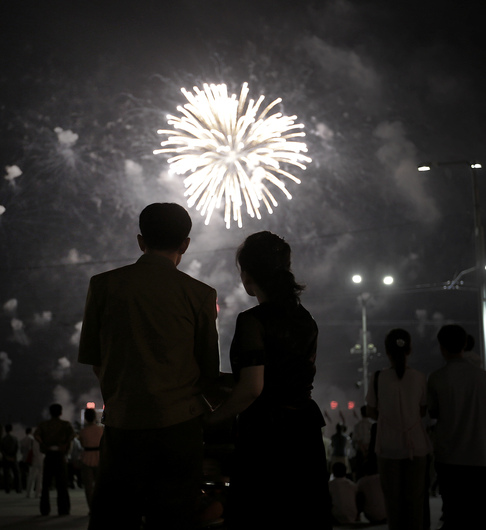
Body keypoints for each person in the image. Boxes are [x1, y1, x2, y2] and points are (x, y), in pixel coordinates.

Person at [78, 203, 220, 530]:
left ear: (141, 241)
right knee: (173, 520)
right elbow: (208, 372)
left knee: (114, 519)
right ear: (185, 244)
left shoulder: (103, 286)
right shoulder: (199, 294)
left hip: (123, 424)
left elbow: (96, 361)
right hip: (179, 428)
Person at [205, 231, 332, 529]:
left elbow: (253, 387)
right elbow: (282, 373)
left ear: (247, 276)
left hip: (268, 437)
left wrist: (212, 418)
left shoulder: (253, 321)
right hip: (305, 432)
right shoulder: (306, 319)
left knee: (263, 516)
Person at [427, 324, 486, 530]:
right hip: (477, 456)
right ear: (465, 345)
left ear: (442, 348)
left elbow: (433, 413)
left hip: (448, 456)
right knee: (480, 510)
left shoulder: (436, 377)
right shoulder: (482, 376)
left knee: (454, 512)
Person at [366, 328, 432, 530]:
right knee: (415, 503)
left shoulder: (377, 378)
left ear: (387, 351)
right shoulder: (420, 377)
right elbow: (422, 411)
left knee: (393, 505)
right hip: (417, 447)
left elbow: (371, 412)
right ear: (409, 350)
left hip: (387, 447)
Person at [34, 403, 75, 516]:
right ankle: (63, 509)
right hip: (60, 456)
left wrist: (44, 444)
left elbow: (36, 435)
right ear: (60, 412)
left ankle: (45, 509)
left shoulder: (43, 425)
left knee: (46, 484)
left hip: (49, 455)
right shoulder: (65, 425)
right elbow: (72, 435)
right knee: (62, 484)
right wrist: (65, 445)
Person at [79, 408, 103, 512]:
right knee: (100, 485)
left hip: (86, 456)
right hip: (99, 456)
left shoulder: (83, 431)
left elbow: (82, 444)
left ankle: (92, 508)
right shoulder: (101, 429)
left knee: (88, 487)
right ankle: (100, 507)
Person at [0, 424, 21, 493]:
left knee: (6, 474)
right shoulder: (14, 438)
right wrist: (13, 456)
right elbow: (17, 448)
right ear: (11, 429)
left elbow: (1, 449)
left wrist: (6, 456)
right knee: (16, 474)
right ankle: (18, 489)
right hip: (13, 458)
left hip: (6, 458)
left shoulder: (3, 439)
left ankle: (7, 489)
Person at [25, 427, 44, 499]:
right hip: (41, 459)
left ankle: (29, 493)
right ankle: (37, 493)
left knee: (31, 476)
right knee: (40, 477)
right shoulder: (42, 440)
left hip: (34, 459)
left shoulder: (33, 440)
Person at [19, 427, 34, 491]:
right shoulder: (32, 439)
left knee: (24, 473)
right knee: (31, 473)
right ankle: (30, 487)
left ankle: (24, 486)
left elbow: (21, 450)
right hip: (30, 458)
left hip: (24, 457)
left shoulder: (22, 439)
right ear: (31, 432)